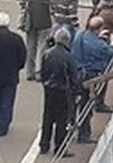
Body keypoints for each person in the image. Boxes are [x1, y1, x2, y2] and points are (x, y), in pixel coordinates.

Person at [71, 17, 113, 144]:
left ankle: (70, 129)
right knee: (87, 106)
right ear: (99, 29)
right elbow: (110, 53)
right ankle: (84, 135)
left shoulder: (80, 35)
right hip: (91, 76)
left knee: (74, 104)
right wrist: (112, 43)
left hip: (77, 73)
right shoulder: (99, 45)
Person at [39, 27, 79, 157]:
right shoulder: (68, 57)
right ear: (67, 41)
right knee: (62, 120)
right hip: (63, 91)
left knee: (47, 118)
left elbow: (43, 73)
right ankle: (59, 147)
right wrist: (76, 90)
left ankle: (44, 145)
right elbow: (74, 76)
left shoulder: (47, 54)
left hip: (49, 89)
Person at [20, 0, 53, 82]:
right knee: (43, 48)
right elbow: (52, 2)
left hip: (30, 20)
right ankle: (41, 72)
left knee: (31, 46)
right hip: (44, 19)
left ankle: (30, 71)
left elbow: (23, 1)